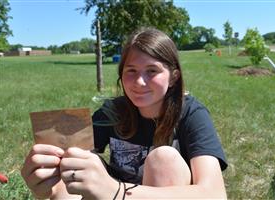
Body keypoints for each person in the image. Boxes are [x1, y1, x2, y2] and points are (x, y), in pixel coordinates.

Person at [21, 27, 228, 199]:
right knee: (75, 162)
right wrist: (47, 182)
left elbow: (215, 194)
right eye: (131, 71)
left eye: (152, 71)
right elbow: (67, 167)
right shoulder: (113, 112)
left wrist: (116, 190)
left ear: (173, 77)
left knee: (164, 159)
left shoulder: (191, 112)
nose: (139, 82)